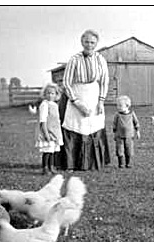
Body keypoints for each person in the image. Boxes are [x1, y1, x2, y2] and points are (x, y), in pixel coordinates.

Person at [61, 29, 111, 171]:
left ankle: (93, 163)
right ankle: (72, 163)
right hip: (78, 96)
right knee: (76, 126)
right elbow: (66, 83)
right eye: (87, 42)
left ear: (96, 43)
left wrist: (101, 101)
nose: (89, 45)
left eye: (92, 42)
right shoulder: (74, 59)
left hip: (94, 96)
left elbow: (104, 81)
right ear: (82, 42)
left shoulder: (100, 59)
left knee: (94, 126)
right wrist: (77, 103)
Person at [35, 83, 63, 175]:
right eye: (48, 93)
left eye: (52, 93)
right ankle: (45, 167)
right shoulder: (44, 105)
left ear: (56, 95)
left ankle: (52, 166)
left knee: (52, 151)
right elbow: (43, 120)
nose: (50, 95)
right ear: (44, 94)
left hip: (54, 131)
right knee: (47, 151)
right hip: (47, 131)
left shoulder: (54, 105)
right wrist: (46, 133)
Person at [112, 95, 140, 168]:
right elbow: (114, 124)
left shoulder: (131, 114)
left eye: (120, 106)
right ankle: (120, 163)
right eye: (117, 105)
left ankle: (128, 163)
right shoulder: (117, 115)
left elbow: (136, 122)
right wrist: (114, 133)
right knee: (119, 150)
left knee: (129, 149)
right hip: (119, 135)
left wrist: (137, 131)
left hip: (129, 135)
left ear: (127, 106)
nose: (118, 107)